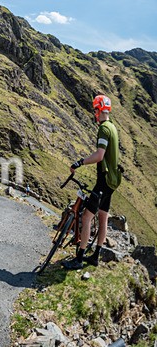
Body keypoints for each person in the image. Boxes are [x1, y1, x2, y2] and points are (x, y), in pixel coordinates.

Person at [62, 95, 122, 270]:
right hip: (113, 181)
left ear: (99, 109)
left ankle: (79, 259)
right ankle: (95, 256)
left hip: (104, 180)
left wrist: (79, 162)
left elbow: (99, 155)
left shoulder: (104, 129)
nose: (94, 113)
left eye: (95, 109)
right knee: (103, 218)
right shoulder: (113, 127)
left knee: (87, 217)